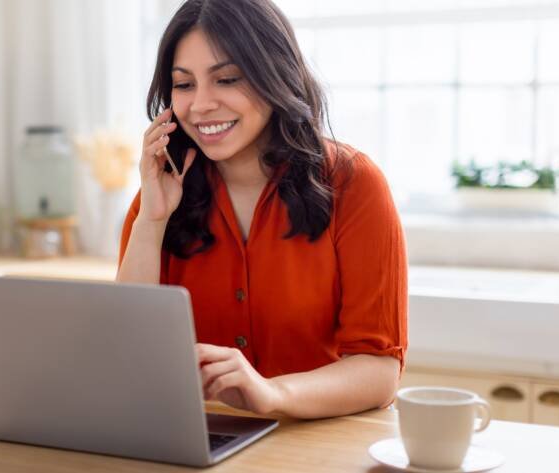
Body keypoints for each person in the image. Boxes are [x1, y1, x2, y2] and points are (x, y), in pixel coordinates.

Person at [117, 0, 407, 419]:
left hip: (314, 445)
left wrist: (271, 393)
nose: (200, 105)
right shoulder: (159, 193)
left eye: (227, 79)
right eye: (183, 85)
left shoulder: (352, 182)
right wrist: (152, 221)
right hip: (197, 442)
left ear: (276, 75)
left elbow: (379, 373)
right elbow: (128, 356)